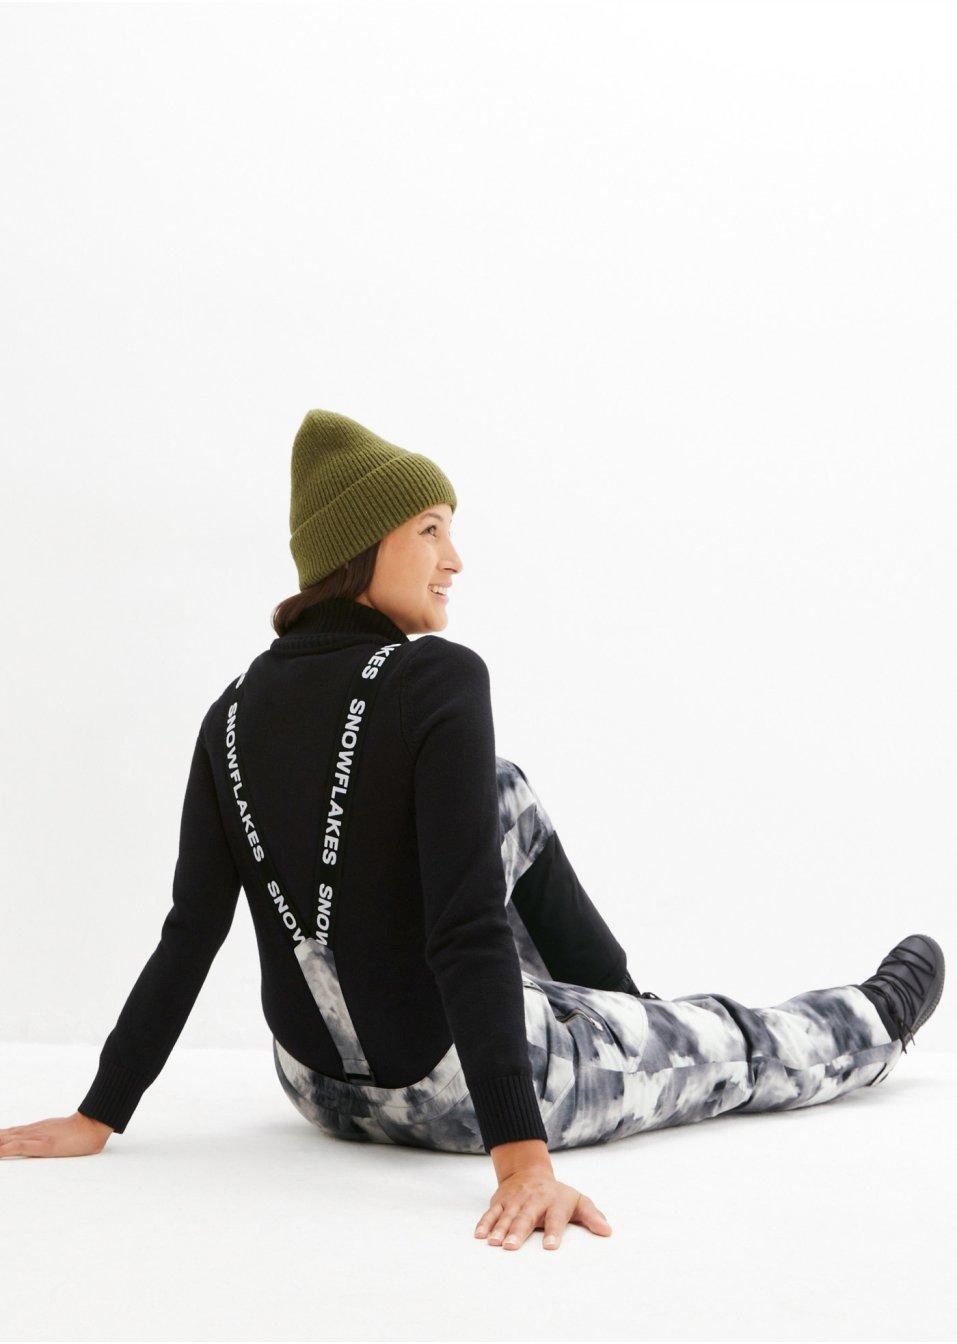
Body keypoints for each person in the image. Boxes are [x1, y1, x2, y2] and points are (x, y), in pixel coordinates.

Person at [0, 410, 946, 1255]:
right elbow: (464, 927)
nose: (453, 559)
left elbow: (190, 931)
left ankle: (617, 1004)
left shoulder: (231, 711)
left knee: (497, 789)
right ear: (361, 547)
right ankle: (863, 1023)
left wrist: (100, 1112)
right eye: (430, 530)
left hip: (319, 1090)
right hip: (463, 1097)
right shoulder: (438, 677)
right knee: (727, 1044)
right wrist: (521, 1161)